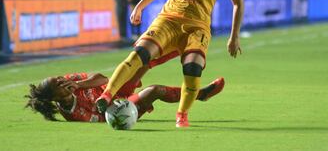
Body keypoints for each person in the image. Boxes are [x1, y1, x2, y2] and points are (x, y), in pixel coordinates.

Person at [95, 0, 251, 128]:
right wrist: (140, 6)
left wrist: (234, 36)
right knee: (139, 55)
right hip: (168, 21)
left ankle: (182, 115)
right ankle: (107, 95)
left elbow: (238, 3)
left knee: (193, 69)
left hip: (197, 29)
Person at [25, 68, 225, 122]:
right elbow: (106, 119)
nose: (62, 80)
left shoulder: (71, 81)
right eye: (58, 83)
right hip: (118, 110)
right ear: (55, 97)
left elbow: (102, 79)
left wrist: (79, 83)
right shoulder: (73, 114)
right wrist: (136, 106)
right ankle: (200, 94)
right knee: (154, 90)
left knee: (144, 61)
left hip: (113, 90)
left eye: (58, 78)